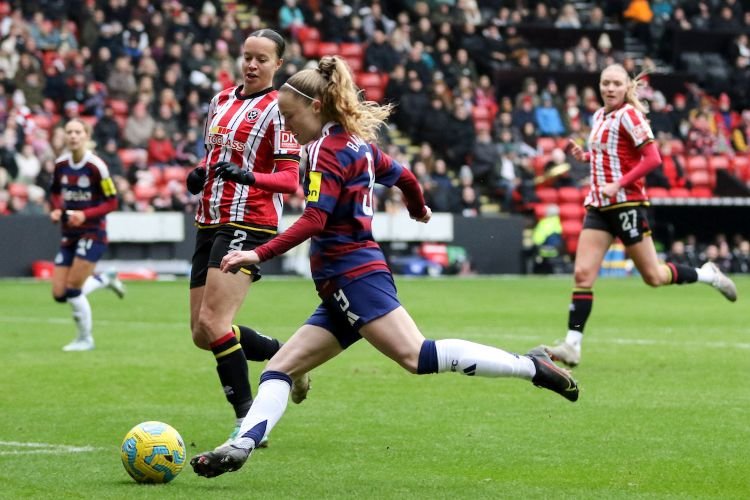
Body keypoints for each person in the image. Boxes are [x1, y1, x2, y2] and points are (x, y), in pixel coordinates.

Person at [190, 56, 580, 478]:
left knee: (418, 356)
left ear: (315, 107)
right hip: (342, 284)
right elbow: (405, 175)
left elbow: (315, 219)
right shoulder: (358, 145)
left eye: (288, 115)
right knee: (280, 367)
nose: (286, 126)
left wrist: (256, 254)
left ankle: (531, 365)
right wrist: (419, 208)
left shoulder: (324, 150)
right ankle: (240, 446)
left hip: (354, 277)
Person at [542, 64, 738, 368]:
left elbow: (653, 158)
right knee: (582, 274)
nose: (609, 88)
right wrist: (586, 156)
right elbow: (611, 153)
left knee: (654, 276)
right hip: (598, 205)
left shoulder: (630, 116)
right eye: (605, 83)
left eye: (616, 84)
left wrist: (619, 184)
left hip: (625, 205)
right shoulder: (598, 116)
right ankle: (572, 344)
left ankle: (707, 275)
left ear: (626, 88)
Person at [183, 29, 310, 448]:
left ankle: (247, 421)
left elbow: (291, 178)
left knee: (214, 323)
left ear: (278, 65)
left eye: (261, 59)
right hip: (209, 218)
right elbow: (212, 155)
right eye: (246, 57)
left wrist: (250, 177)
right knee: (203, 333)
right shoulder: (220, 100)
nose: (252, 65)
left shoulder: (280, 109)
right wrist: (199, 175)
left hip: (250, 221)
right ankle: (287, 354)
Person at [49, 118, 126, 352]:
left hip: (93, 232)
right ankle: (105, 279)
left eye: (77, 132)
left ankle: (85, 339)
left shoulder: (96, 166)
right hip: (69, 233)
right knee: (59, 294)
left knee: (73, 289)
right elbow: (54, 193)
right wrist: (57, 210)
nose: (73, 136)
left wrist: (86, 215)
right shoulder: (60, 164)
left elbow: (112, 201)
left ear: (86, 135)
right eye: (69, 131)